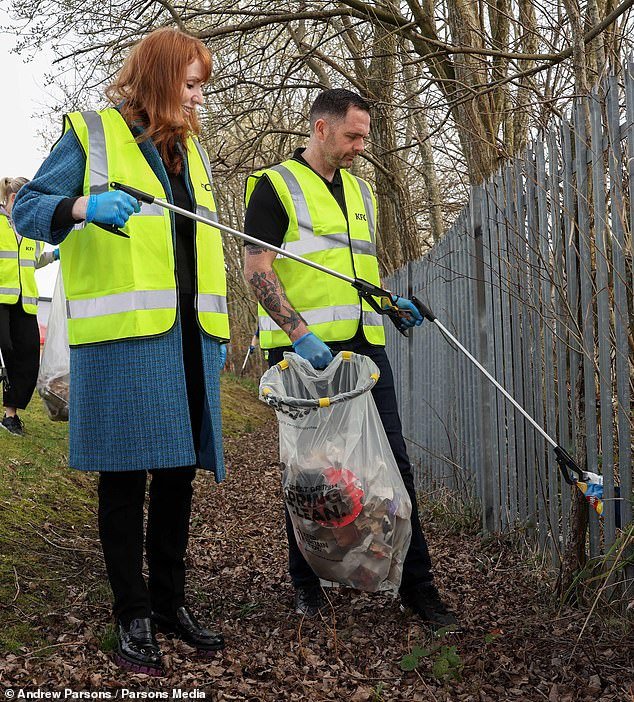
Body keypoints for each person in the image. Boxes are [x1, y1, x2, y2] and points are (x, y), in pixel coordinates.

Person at [13, 28, 229, 675]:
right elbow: (27, 208)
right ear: (162, 79)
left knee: (177, 473)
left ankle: (169, 603)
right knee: (126, 477)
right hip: (127, 338)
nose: (198, 99)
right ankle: (131, 613)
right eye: (191, 85)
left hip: (189, 335)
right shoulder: (92, 134)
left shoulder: (192, 152)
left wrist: (219, 333)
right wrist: (81, 205)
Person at [243, 88, 457, 629]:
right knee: (311, 475)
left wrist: (388, 302)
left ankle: (417, 588)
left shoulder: (363, 192)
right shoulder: (275, 187)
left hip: (365, 353)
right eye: (352, 135)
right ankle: (306, 583)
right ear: (320, 128)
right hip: (304, 358)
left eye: (365, 136)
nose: (360, 146)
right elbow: (257, 270)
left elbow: (354, 272)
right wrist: (299, 334)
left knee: (394, 468)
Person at [0, 176, 59, 436]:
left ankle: (10, 416)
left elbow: (33, 261)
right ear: (14, 199)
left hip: (26, 303)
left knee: (26, 357)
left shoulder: (29, 228)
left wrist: (54, 255)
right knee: (6, 351)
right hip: (1, 300)